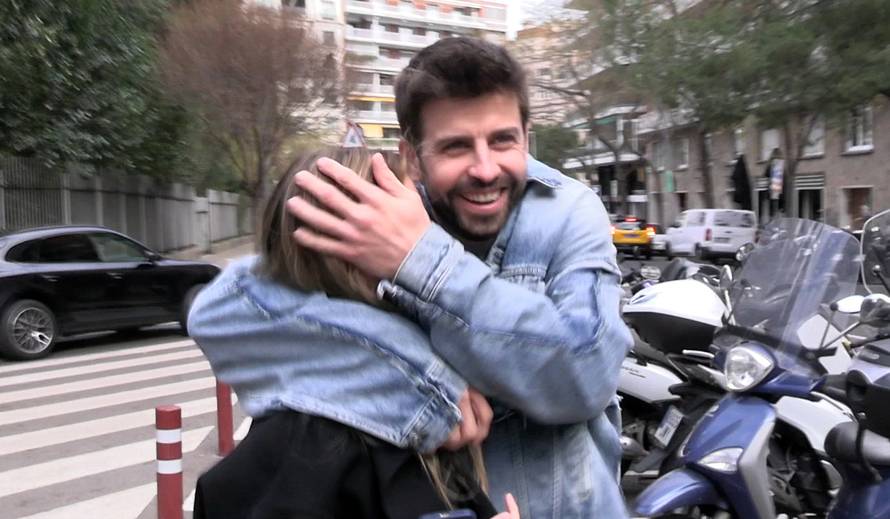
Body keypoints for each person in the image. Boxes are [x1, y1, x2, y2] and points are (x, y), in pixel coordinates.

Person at [189, 36, 632, 518]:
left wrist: (421, 260)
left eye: (503, 139)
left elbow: (586, 375)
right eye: (456, 146)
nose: (485, 169)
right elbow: (228, 312)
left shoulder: (568, 210)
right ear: (413, 157)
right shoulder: (379, 208)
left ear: (527, 136)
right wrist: (427, 387)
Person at [192, 147, 516, 519]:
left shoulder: (400, 394)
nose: (432, 245)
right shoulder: (319, 443)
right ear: (346, 253)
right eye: (407, 227)